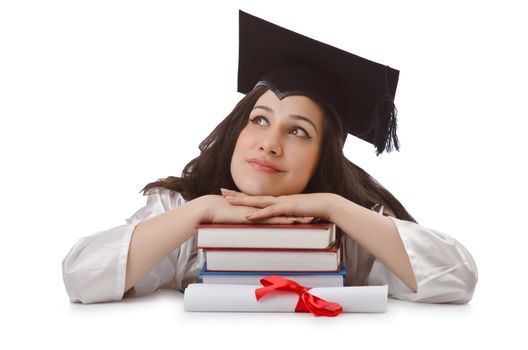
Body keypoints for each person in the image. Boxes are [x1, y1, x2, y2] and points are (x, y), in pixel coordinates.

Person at [62, 11, 478, 305]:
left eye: (298, 131)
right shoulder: (181, 210)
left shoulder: (351, 228)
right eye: (260, 120)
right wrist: (205, 210)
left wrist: (332, 206)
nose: (269, 143)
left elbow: (457, 278)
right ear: (237, 130)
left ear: (324, 157)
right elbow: (81, 277)